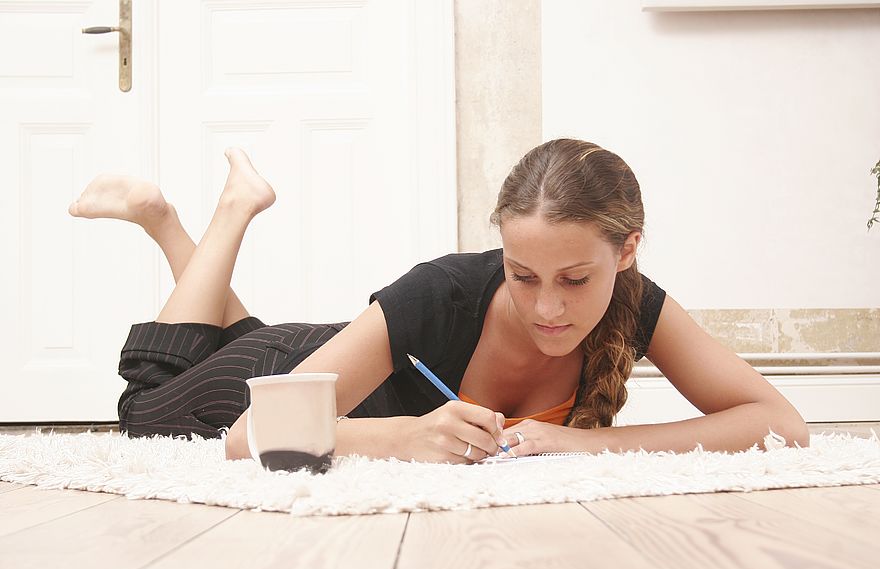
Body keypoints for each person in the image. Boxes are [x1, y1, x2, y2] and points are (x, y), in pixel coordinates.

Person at [69, 139, 810, 464]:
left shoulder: (638, 300)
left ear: (626, 250)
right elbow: (244, 434)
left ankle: (182, 235)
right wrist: (403, 438)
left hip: (321, 359)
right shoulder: (444, 292)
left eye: (575, 280)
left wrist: (590, 444)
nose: (548, 306)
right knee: (146, 412)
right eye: (523, 275)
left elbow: (781, 423)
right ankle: (209, 212)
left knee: (221, 341)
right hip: (290, 366)